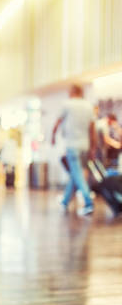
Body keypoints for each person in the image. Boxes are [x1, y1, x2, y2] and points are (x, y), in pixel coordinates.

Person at [52, 84, 96, 216]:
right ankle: (65, 201)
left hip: (72, 145)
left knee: (78, 175)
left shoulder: (67, 104)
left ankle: (88, 202)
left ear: (73, 92)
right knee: (75, 174)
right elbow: (92, 129)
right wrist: (93, 147)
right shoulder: (89, 106)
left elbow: (57, 122)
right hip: (85, 146)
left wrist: (52, 136)